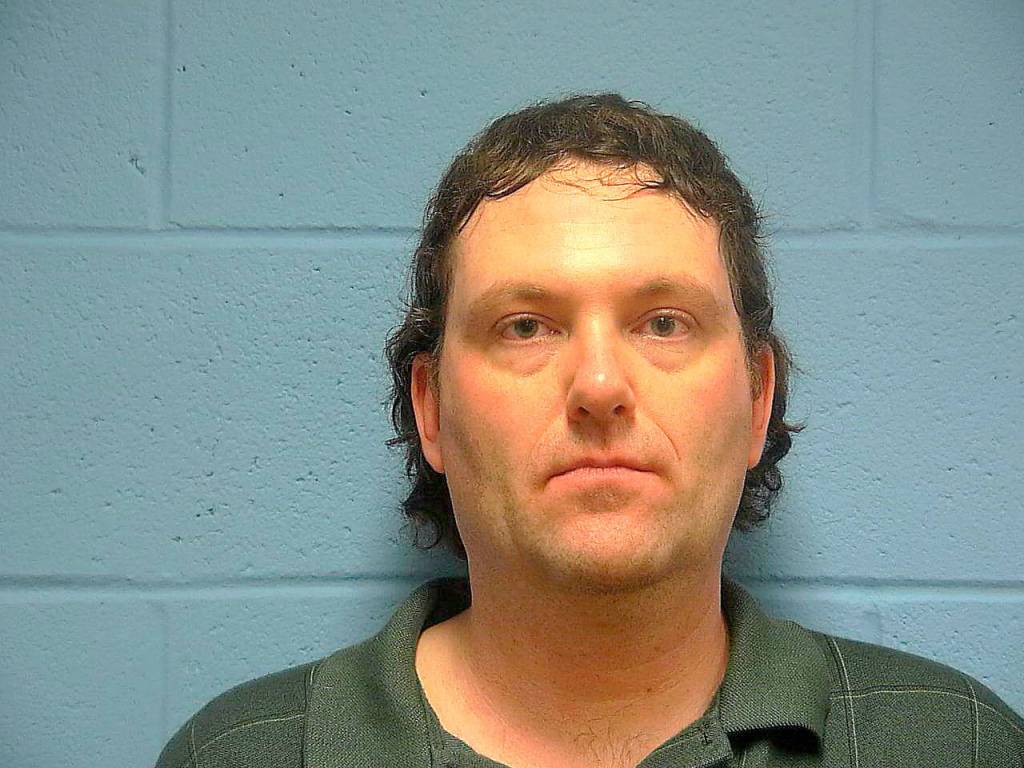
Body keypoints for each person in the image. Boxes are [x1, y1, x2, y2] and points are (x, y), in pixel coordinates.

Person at [155, 93, 1023, 768]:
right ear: (432, 410)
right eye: (526, 326)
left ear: (757, 400)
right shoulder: (239, 755)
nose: (600, 386)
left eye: (664, 323)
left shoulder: (958, 744)